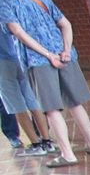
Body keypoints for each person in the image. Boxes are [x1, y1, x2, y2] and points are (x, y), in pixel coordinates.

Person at [0, 0, 90, 167]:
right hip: (64, 52)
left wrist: (47, 55)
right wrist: (65, 50)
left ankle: (68, 154)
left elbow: (17, 31)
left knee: (51, 109)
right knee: (75, 103)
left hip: (38, 59)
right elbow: (65, 24)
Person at [0, 22, 55, 157]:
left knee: (16, 105)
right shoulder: (6, 10)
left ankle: (36, 144)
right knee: (32, 101)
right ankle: (47, 141)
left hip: (2, 64)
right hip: (18, 57)